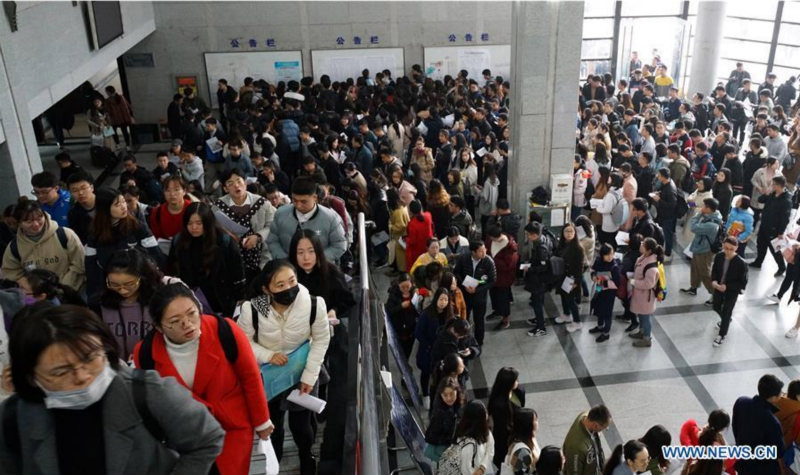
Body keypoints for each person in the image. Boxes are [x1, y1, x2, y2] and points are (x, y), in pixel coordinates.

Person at [0, 303, 226, 474]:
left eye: (90, 358)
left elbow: (207, 438)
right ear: (31, 377)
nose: (82, 377)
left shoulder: (148, 393)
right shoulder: (13, 418)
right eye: (61, 372)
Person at [132, 283, 272, 475]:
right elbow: (148, 400)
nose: (187, 324)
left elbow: (250, 377)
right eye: (175, 321)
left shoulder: (225, 331)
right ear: (159, 326)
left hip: (231, 427)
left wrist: (262, 421)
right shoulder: (146, 353)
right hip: (183, 438)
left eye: (192, 313)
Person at [234, 259, 329, 474]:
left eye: (292, 281)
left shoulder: (313, 304)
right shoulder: (254, 308)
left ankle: (306, 457)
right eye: (280, 285)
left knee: (301, 425)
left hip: (301, 373)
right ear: (266, 289)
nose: (288, 289)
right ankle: (274, 463)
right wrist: (268, 355)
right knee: (273, 424)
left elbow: (321, 339)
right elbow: (243, 342)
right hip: (270, 376)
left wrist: (309, 376)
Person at [167, 202, 245, 317]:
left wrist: (239, 299)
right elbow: (172, 270)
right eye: (189, 223)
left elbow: (237, 273)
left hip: (220, 300)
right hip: (190, 300)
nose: (194, 227)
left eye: (199, 223)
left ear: (208, 222)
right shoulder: (179, 241)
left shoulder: (224, 241)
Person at [84, 188, 164, 299]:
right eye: (117, 205)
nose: (123, 206)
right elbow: (91, 269)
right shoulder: (95, 233)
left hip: (140, 285)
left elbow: (156, 256)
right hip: (111, 288)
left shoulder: (137, 227)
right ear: (105, 209)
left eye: (123, 202)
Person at [1, 198, 86, 293]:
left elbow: (79, 264)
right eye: (29, 221)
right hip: (35, 296)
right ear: (19, 223)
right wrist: (30, 289)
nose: (36, 224)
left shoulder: (65, 234)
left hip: (70, 291)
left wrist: (62, 288)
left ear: (45, 215)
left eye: (39, 218)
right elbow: (11, 273)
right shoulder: (14, 247)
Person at [95, 248, 165, 361]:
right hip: (116, 366)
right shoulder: (99, 304)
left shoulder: (159, 299)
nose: (122, 290)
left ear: (142, 278)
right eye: (114, 284)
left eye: (129, 284)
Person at [267, 176, 346, 263]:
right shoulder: (281, 214)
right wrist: (284, 260)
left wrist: (317, 259)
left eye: (303, 201)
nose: (298, 205)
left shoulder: (331, 218)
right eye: (295, 200)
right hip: (287, 266)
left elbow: (339, 244)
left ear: (315, 198)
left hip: (320, 267)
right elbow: (272, 240)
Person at [215, 168, 276, 280]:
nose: (236, 185)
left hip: (261, 256)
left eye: (239, 181)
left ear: (245, 183)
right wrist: (228, 235)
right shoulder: (218, 207)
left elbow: (272, 226)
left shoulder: (262, 203)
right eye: (230, 183)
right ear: (225, 188)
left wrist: (258, 236)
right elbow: (213, 229)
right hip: (231, 258)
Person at [290, 228, 356, 323]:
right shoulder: (287, 274)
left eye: (311, 251)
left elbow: (346, 300)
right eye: (300, 252)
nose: (306, 257)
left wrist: (334, 311)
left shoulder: (332, 273)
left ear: (318, 251)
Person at [732, 374, 786, 475]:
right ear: (773, 397)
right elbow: (779, 452)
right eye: (780, 393)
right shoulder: (772, 422)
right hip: (763, 469)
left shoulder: (741, 402)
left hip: (743, 462)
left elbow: (735, 427)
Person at [415, 286, 453, 408]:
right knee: (426, 373)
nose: (443, 302)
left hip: (443, 352)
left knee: (441, 373)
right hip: (428, 350)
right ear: (436, 299)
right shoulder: (427, 314)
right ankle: (425, 394)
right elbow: (418, 333)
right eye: (441, 299)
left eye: (446, 300)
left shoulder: (449, 314)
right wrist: (429, 345)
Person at [680, 198, 723, 305]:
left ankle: (715, 294)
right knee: (695, 268)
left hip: (705, 250)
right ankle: (693, 288)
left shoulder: (711, 225)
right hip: (700, 247)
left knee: (705, 273)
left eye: (704, 206)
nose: (702, 208)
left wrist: (698, 214)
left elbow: (693, 227)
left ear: (709, 209)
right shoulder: (712, 215)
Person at [453, 241, 496, 346]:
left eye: (485, 249)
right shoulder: (464, 258)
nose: (484, 252)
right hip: (465, 294)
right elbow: (456, 272)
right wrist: (464, 284)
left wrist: (477, 290)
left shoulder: (488, 261)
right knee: (464, 319)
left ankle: (478, 342)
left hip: (480, 297)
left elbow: (492, 281)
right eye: (481, 251)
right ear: (473, 252)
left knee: (479, 320)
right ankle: (464, 341)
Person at [710, 236, 748, 347]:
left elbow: (742, 283)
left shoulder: (741, 263)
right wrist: (714, 281)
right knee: (716, 306)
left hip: (732, 292)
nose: (728, 251)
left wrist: (727, 287)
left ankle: (722, 334)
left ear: (736, 248)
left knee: (727, 311)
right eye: (726, 248)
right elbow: (715, 271)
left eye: (731, 249)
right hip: (719, 288)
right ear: (723, 245)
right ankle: (726, 320)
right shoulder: (719, 256)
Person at [751, 176, 792, 277]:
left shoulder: (786, 200)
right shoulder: (772, 194)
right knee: (761, 244)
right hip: (764, 225)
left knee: (775, 249)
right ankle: (758, 262)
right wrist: (766, 193)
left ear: (779, 185)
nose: (771, 186)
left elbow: (785, 218)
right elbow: (760, 200)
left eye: (773, 184)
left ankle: (782, 267)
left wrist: (781, 232)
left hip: (774, 229)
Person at [488, 366, 526, 469]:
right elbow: (501, 428)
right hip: (505, 438)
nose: (517, 382)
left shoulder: (519, 391)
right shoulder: (498, 404)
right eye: (515, 380)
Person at [629, 237, 664, 348]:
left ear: (649, 250)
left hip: (646, 297)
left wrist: (634, 282)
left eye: (643, 244)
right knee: (641, 315)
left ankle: (647, 339)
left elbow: (648, 284)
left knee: (645, 318)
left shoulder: (651, 268)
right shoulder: (644, 257)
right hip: (641, 295)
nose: (641, 244)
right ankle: (642, 331)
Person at [523, 222, 555, 337]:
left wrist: (530, 268)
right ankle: (539, 319)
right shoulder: (541, 240)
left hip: (539, 280)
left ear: (535, 235)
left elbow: (543, 267)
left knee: (537, 303)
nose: (527, 236)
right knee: (538, 302)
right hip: (539, 279)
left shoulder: (541, 247)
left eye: (528, 234)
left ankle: (541, 328)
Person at [553, 223, 586, 333]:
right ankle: (566, 314)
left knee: (571, 300)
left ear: (575, 233)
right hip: (562, 276)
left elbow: (580, 268)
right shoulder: (562, 245)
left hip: (571, 278)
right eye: (566, 231)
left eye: (571, 231)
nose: (569, 233)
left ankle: (577, 321)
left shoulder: (578, 248)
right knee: (563, 296)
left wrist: (576, 282)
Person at [424, 377, 464, 463]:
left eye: (451, 394)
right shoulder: (440, 413)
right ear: (440, 395)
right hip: (442, 451)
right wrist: (451, 441)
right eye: (445, 395)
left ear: (457, 391)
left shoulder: (456, 405)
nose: (449, 398)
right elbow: (430, 437)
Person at [447, 401, 494, 475]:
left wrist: (482, 468)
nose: (486, 414)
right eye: (483, 412)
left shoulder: (485, 432)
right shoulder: (465, 441)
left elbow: (490, 450)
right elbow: (465, 469)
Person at [485, 225, 518, 330]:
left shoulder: (509, 246)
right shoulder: (490, 240)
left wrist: (491, 261)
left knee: (503, 298)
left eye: (492, 238)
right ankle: (497, 311)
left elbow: (509, 265)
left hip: (504, 278)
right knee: (493, 294)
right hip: (493, 275)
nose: (491, 240)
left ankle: (505, 319)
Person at [563, 405, 611, 475]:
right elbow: (574, 472)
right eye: (604, 428)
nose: (603, 430)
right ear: (595, 425)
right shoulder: (576, 447)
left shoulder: (586, 416)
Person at [590, 244, 621, 343]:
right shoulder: (598, 260)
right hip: (599, 289)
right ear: (602, 255)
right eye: (607, 255)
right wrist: (593, 276)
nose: (610, 257)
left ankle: (606, 333)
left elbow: (617, 283)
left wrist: (603, 282)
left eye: (612, 254)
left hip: (609, 292)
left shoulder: (614, 267)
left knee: (607, 312)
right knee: (598, 307)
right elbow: (593, 270)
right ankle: (600, 326)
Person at [148, 175, 194, 241]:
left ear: (184, 191)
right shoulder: (156, 213)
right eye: (167, 190)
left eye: (176, 190)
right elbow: (156, 238)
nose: (172, 194)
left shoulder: (194, 209)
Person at [385, 273, 418, 360]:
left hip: (411, 328)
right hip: (399, 328)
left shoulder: (414, 293)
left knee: (408, 349)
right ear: (398, 285)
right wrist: (401, 306)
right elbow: (389, 311)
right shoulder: (394, 295)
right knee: (400, 349)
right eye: (403, 287)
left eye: (408, 286)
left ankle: (406, 361)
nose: (406, 289)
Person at [652, 168, 677, 260]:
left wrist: (659, 200)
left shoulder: (670, 189)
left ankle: (668, 253)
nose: (657, 177)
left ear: (663, 177)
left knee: (667, 234)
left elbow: (672, 205)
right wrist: (659, 193)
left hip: (668, 215)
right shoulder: (666, 183)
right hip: (663, 213)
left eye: (659, 175)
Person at [66, 171, 97, 244]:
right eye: (75, 190)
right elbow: (80, 238)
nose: (80, 193)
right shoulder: (73, 214)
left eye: (84, 188)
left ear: (92, 187)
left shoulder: (107, 201)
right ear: (70, 193)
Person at [405, 200, 434, 272]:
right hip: (428, 245)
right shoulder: (428, 215)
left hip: (417, 249)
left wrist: (406, 239)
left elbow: (412, 241)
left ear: (411, 211)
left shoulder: (412, 224)